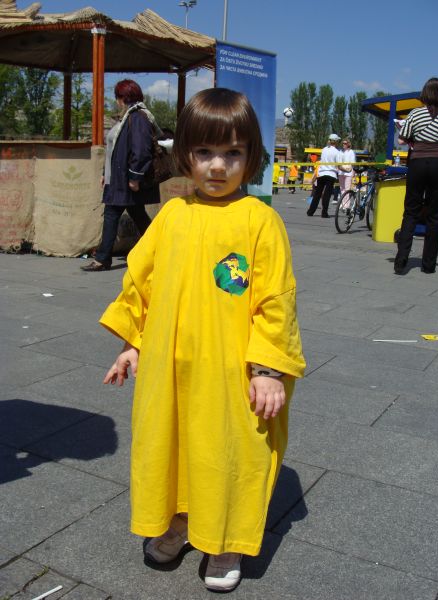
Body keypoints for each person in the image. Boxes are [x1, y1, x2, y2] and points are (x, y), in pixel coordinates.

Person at [100, 88, 305, 593]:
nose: (217, 166)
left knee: (229, 451)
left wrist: (268, 369)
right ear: (186, 155)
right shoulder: (173, 215)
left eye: (232, 152)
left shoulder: (260, 220)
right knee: (173, 444)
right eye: (205, 152)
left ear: (251, 156)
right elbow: (141, 280)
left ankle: (225, 539)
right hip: (172, 366)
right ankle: (180, 521)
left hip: (232, 370)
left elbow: (276, 299)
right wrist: (132, 342)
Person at [81, 79, 161, 272]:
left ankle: (103, 259)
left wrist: (135, 177)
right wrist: (105, 173)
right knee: (137, 215)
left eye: (117, 97)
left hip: (125, 180)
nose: (116, 101)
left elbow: (141, 150)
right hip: (117, 179)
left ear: (123, 97)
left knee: (112, 215)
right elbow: (114, 150)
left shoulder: (138, 117)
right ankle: (159, 249)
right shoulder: (127, 117)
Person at [394, 77, 438, 275]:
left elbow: (402, 139)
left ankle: (401, 262)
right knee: (434, 215)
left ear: (425, 93)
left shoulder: (415, 113)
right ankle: (428, 265)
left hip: (417, 163)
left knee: (411, 211)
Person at [307, 133, 340, 217]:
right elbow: (338, 165)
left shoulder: (324, 149)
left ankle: (310, 211)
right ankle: (324, 213)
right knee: (327, 195)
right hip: (331, 174)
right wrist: (347, 169)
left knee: (317, 193)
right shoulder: (337, 152)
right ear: (336, 141)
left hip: (321, 173)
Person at [338, 138, 356, 206]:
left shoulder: (351, 152)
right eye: (343, 143)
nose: (343, 144)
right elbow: (338, 161)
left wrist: (353, 171)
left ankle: (346, 205)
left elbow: (353, 163)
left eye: (345, 143)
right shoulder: (340, 151)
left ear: (348, 144)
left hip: (348, 172)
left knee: (347, 189)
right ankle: (342, 203)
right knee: (342, 189)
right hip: (340, 172)